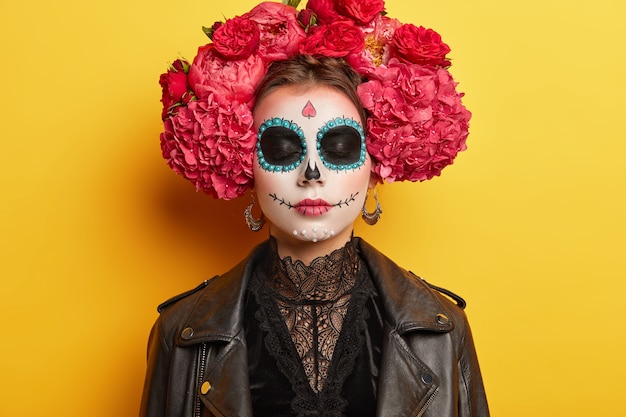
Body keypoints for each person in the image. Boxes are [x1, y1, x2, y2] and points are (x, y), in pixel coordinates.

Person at [142, 1, 488, 416]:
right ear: (242, 163)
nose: (311, 173)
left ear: (375, 166)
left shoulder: (441, 329)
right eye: (282, 148)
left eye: (339, 148)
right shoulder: (181, 333)